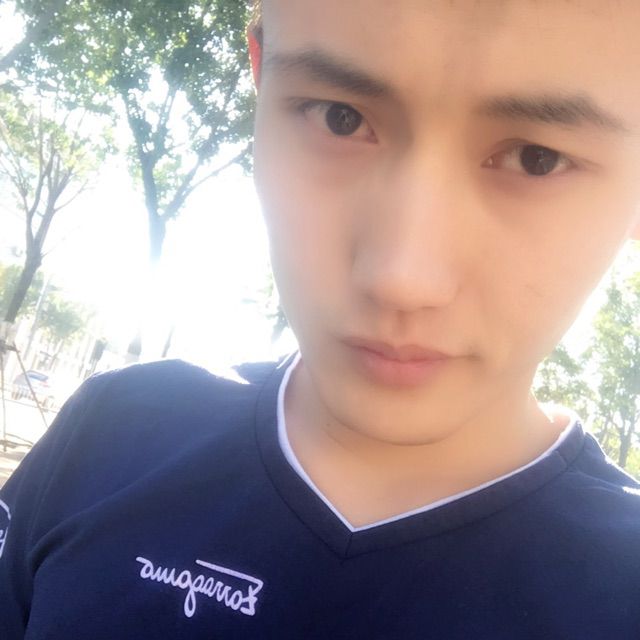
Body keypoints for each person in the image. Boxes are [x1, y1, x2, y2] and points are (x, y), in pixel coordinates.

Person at [2, 1, 640, 637]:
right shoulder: (111, 435)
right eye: (341, 118)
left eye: (536, 157)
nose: (402, 277)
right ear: (260, 82)